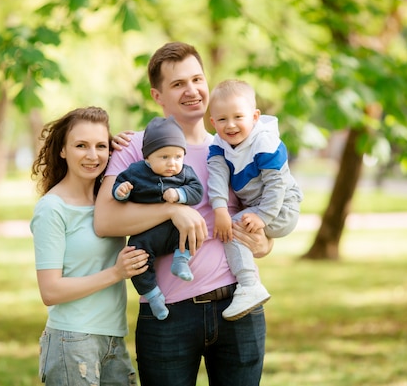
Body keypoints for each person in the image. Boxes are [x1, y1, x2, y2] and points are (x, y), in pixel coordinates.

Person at [94, 42, 273, 386]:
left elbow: (261, 225)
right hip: (168, 316)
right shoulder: (135, 147)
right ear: (158, 96)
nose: (191, 90)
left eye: (197, 79)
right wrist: (172, 209)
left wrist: (263, 243)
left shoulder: (233, 145)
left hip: (238, 306)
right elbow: (105, 221)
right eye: (177, 84)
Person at [30, 106, 149, 386]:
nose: (92, 155)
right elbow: (50, 291)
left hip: (113, 338)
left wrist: (124, 149)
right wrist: (116, 273)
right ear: (62, 150)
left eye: (100, 146)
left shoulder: (110, 201)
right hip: (71, 340)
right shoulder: (52, 209)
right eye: (81, 145)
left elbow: (164, 161)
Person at [207, 79, 303, 321]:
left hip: (281, 208)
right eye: (222, 119)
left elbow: (276, 185)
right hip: (257, 208)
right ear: (212, 121)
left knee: (234, 228)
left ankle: (250, 285)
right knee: (229, 222)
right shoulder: (219, 144)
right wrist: (219, 209)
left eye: (238, 117)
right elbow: (217, 176)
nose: (230, 125)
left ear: (255, 116)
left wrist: (263, 217)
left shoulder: (265, 142)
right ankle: (249, 283)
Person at [113, 116, 204, 320]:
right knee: (136, 259)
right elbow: (119, 187)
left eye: (178, 157)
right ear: (148, 158)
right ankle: (153, 296)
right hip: (145, 233)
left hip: (174, 230)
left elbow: (197, 191)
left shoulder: (185, 173)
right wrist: (122, 191)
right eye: (164, 157)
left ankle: (181, 261)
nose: (172, 163)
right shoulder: (136, 172)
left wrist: (179, 195)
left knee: (193, 229)